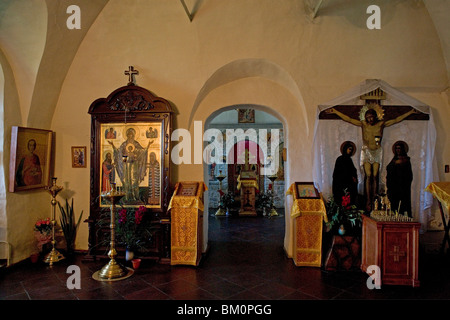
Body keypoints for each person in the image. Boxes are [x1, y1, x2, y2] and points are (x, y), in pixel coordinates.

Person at [326, 104, 418, 211]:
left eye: (372, 117)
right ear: (365, 118)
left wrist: (410, 112)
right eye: (368, 117)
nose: (370, 119)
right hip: (366, 150)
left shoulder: (381, 124)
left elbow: (396, 119)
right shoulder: (363, 124)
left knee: (375, 176)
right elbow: (349, 119)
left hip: (377, 151)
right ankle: (368, 200)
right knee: (368, 175)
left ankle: (374, 196)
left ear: (375, 116)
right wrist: (335, 112)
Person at [108, 128, 153, 202]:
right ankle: (126, 197)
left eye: (131, 134)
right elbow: (118, 152)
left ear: (134, 135)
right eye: (129, 134)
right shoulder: (124, 144)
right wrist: (112, 145)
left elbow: (142, 152)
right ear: (127, 135)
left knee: (134, 181)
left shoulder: (136, 144)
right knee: (126, 181)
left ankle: (135, 197)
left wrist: (148, 145)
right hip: (126, 167)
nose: (130, 136)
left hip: (134, 166)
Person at [386, 141, 413, 217]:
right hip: (394, 186)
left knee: (403, 205)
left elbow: (409, 175)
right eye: (396, 148)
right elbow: (388, 168)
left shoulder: (406, 160)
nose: (398, 150)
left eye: (399, 148)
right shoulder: (394, 160)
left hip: (402, 187)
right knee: (394, 204)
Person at [332, 141, 358, 206]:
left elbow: (353, 171)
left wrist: (354, 178)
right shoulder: (340, 159)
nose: (350, 151)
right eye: (349, 149)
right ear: (345, 149)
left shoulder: (349, 160)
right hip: (341, 184)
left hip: (349, 184)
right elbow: (337, 173)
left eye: (351, 150)